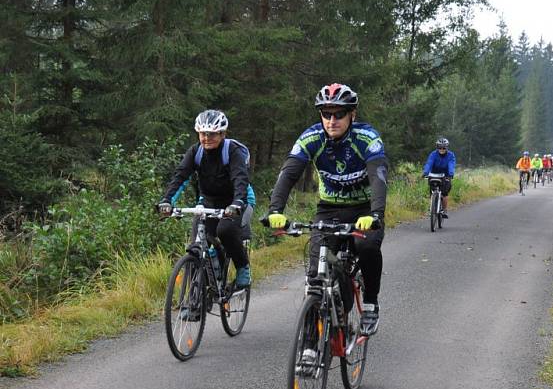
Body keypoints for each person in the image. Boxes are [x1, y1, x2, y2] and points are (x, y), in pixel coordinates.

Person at [264, 83, 388, 336]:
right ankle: (310, 343)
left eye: (339, 114)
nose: (332, 120)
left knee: (366, 247)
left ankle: (371, 302)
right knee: (315, 278)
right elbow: (289, 172)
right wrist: (275, 209)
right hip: (329, 209)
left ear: (352, 114)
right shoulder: (312, 137)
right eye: (326, 114)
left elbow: (378, 175)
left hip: (363, 210)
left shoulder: (366, 138)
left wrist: (375, 214)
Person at [158, 110, 256, 293]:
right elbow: (181, 176)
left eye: (211, 134)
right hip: (209, 202)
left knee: (225, 230)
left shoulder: (232, 152)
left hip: (238, 201)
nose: (206, 138)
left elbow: (240, 180)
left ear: (222, 134)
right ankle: (194, 301)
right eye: (203, 133)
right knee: (197, 244)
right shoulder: (196, 152)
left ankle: (243, 269)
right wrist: (167, 200)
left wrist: (237, 204)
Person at [422, 137, 456, 217]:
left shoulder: (451, 155)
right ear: (437, 147)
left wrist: (451, 174)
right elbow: (429, 163)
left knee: (444, 193)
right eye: (440, 147)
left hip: (446, 175)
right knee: (432, 192)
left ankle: (444, 210)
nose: (442, 149)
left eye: (444, 147)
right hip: (434, 174)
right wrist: (425, 172)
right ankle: (432, 207)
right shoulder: (433, 154)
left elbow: (451, 164)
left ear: (447, 148)